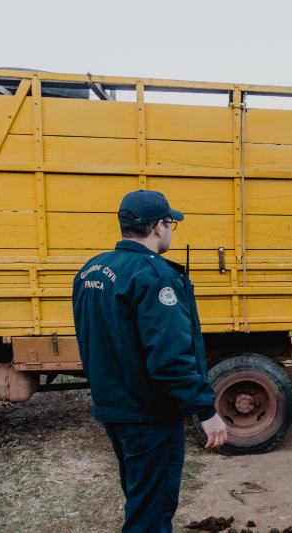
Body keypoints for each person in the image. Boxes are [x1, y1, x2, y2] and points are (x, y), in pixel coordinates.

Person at [72, 189, 227, 532]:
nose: (170, 230)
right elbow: (170, 359)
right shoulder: (154, 277)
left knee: (140, 496)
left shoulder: (91, 270)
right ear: (159, 226)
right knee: (152, 513)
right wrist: (206, 410)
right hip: (148, 414)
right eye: (170, 223)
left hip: (114, 406)